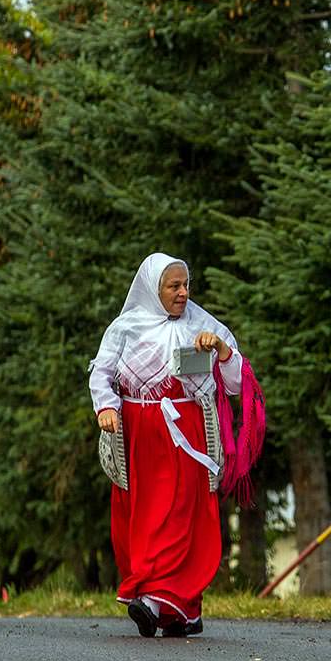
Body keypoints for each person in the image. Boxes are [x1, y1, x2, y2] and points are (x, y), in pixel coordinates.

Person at [89, 252, 264, 638]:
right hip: (139, 434)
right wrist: (106, 406)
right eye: (174, 286)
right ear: (154, 289)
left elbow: (236, 383)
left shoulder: (203, 324)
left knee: (179, 514)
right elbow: (101, 372)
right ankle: (179, 609)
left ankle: (154, 599)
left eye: (186, 285)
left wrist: (220, 349)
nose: (183, 293)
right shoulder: (126, 327)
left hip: (186, 436)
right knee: (142, 515)